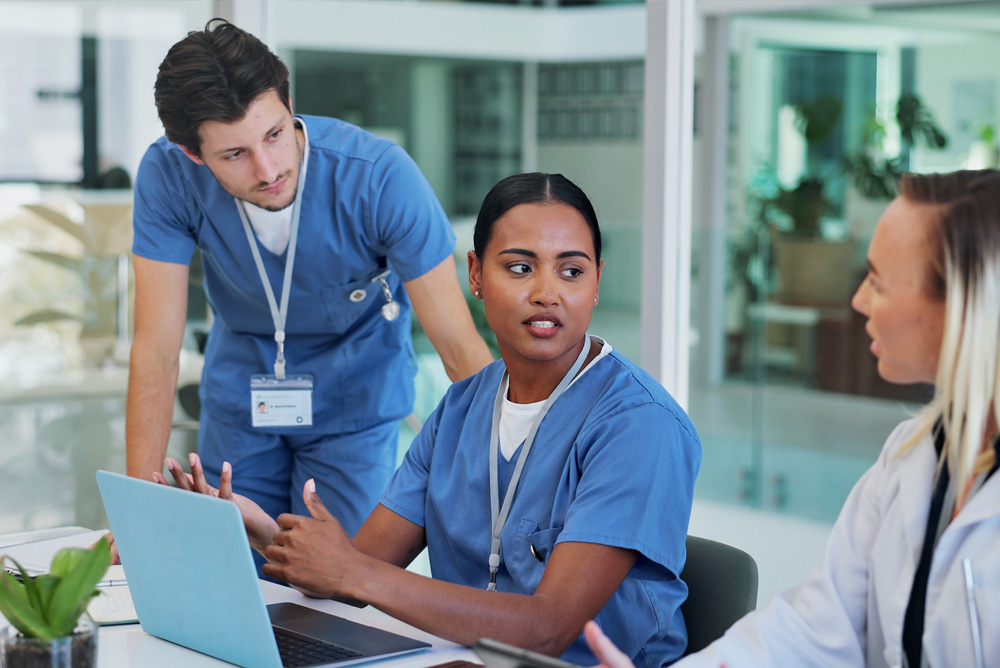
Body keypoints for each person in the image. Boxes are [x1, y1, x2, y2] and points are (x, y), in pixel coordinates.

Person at [160, 172, 702, 666]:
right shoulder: (461, 407)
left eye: (572, 271)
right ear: (475, 274)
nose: (546, 293)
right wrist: (259, 531)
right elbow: (360, 567)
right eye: (519, 267)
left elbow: (547, 631)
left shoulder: (638, 426)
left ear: (597, 281)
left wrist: (355, 572)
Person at [585, 169, 1000, 668]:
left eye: (880, 283)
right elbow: (816, 625)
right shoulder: (911, 458)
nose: (859, 300)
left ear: (964, 307)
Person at [126, 19, 493, 555]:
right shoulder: (168, 176)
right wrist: (140, 512)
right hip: (242, 402)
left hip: (354, 407)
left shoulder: (380, 179)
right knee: (235, 576)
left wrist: (523, 489)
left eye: (274, 134)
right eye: (235, 154)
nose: (269, 168)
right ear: (193, 154)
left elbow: (460, 349)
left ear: (289, 101)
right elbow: (157, 348)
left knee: (337, 586)